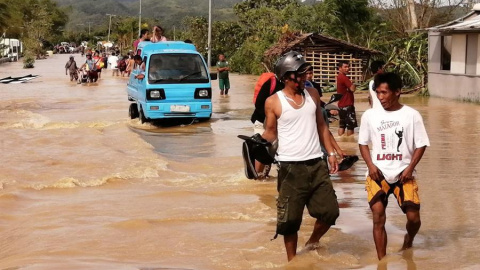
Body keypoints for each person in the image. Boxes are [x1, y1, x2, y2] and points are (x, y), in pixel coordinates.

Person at [261, 51, 340, 261]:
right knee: (289, 221)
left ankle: (313, 240)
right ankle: (292, 262)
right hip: (289, 168)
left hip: (317, 164)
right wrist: (257, 145)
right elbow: (270, 132)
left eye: (306, 72)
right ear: (287, 76)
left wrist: (331, 153)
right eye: (301, 73)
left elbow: (321, 125)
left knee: (330, 212)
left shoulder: (313, 94)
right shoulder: (273, 102)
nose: (306, 76)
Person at [358, 72, 430, 260]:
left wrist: (409, 168)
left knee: (414, 219)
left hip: (403, 173)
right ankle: (382, 262)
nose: (380, 97)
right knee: (378, 216)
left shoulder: (412, 115)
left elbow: (421, 144)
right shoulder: (370, 115)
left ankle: (408, 240)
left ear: (397, 92)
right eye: (378, 93)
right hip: (377, 173)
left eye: (384, 93)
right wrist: (370, 166)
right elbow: (363, 144)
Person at [336, 60, 357, 136]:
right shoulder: (344, 78)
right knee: (350, 127)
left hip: (341, 106)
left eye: (348, 67)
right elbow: (352, 89)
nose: (347, 68)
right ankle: (350, 142)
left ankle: (340, 141)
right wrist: (354, 84)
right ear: (340, 68)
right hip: (348, 105)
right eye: (345, 67)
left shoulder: (339, 77)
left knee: (342, 125)